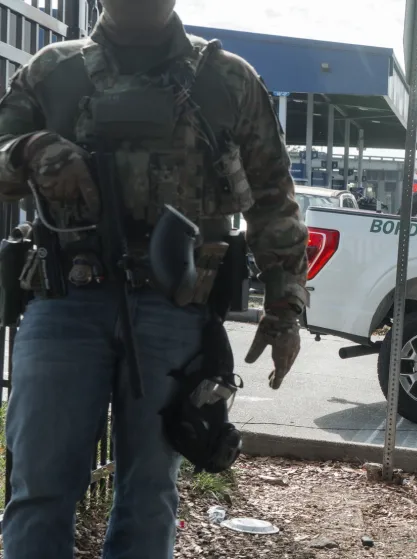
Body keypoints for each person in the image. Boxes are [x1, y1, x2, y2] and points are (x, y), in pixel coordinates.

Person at [0, 1, 308, 557]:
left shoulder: (227, 80)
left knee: (149, 496)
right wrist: (30, 149)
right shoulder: (53, 71)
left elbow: (273, 199)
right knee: (39, 489)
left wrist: (285, 307)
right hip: (65, 298)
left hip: (176, 306)